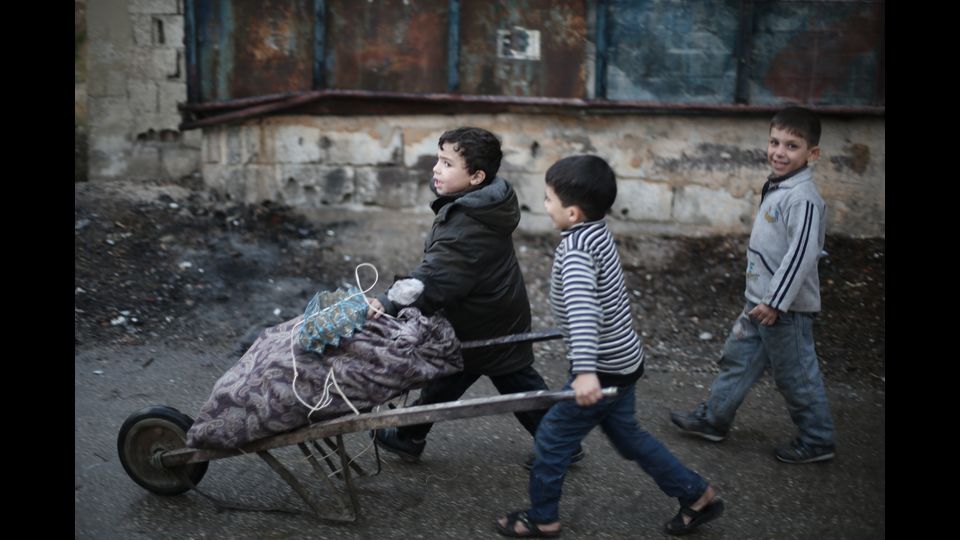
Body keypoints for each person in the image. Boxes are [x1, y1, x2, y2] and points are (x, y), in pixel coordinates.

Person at [495, 155, 723, 537]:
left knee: (551, 439)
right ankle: (697, 495)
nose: (545, 205)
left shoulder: (576, 253)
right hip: (624, 358)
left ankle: (543, 517)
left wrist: (584, 372)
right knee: (628, 436)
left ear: (572, 212)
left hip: (600, 367)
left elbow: (586, 314)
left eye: (549, 199)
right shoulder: (596, 231)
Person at [368, 127, 584, 466]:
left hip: (487, 319)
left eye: (446, 163)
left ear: (477, 176)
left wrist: (390, 301)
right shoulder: (484, 199)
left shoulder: (469, 224)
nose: (436, 169)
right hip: (487, 307)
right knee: (454, 378)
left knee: (514, 382)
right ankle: (410, 436)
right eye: (438, 160)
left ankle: (562, 443)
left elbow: (435, 279)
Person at [670, 106, 836, 464]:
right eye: (775, 142)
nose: (779, 151)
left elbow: (802, 254)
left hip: (785, 311)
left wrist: (776, 302)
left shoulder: (803, 198)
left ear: (813, 154)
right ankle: (714, 420)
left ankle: (818, 439)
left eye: (792, 146)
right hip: (759, 304)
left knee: (796, 377)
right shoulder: (778, 187)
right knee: (738, 361)